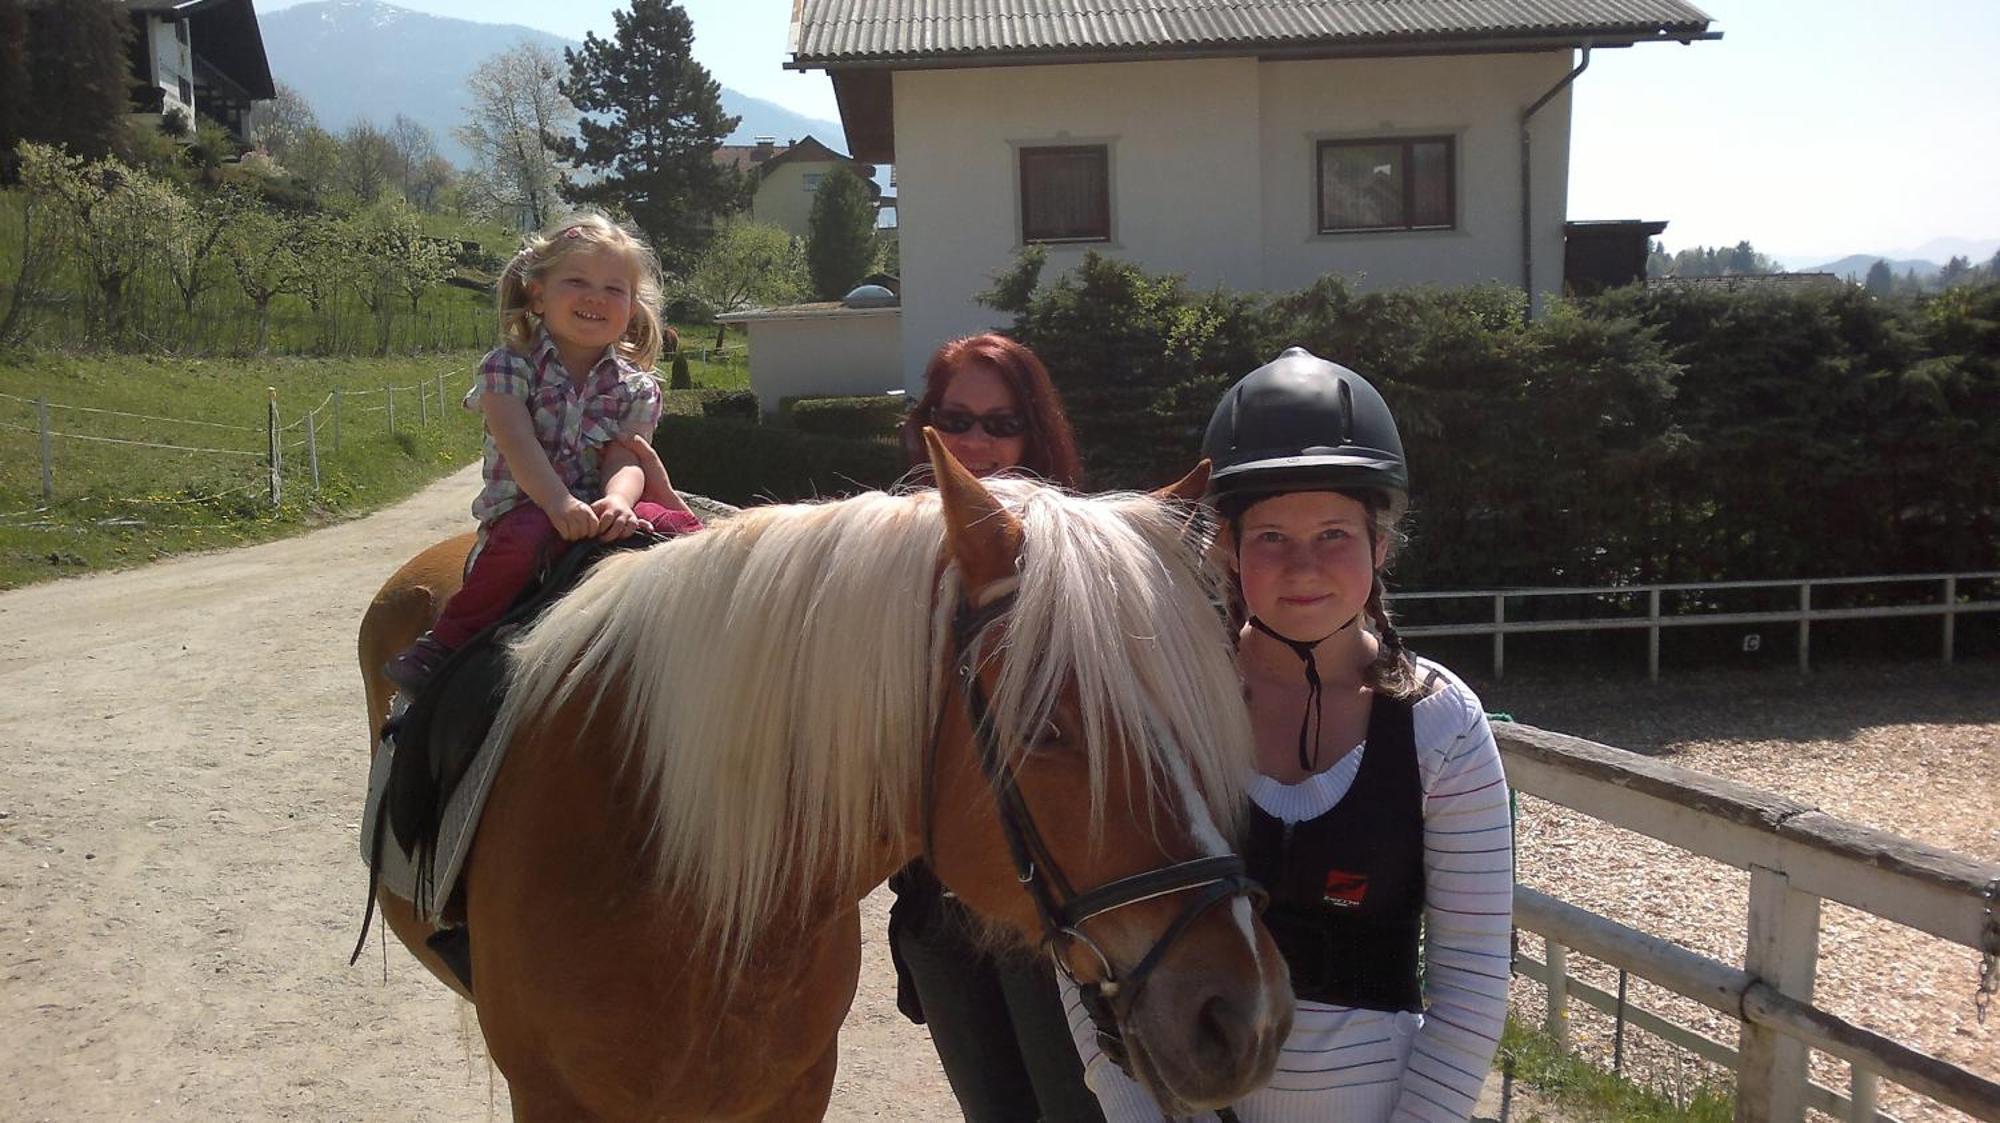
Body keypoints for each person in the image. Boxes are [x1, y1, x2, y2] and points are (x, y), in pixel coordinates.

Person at [1070, 348, 1513, 1122]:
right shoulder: (1164, 709)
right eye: (1271, 536)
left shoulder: (1443, 725)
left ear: (1380, 545)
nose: (1304, 566)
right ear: (1228, 549)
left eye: (1335, 534)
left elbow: (1472, 977)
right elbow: (1085, 939)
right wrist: (1135, 1108)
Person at [890, 333, 1100, 1123]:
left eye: (1002, 421)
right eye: (956, 418)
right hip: (936, 900)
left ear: (1036, 431)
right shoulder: (888, 561)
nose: (977, 442)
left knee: (1074, 1110)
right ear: (925, 427)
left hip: (1048, 908)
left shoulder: (1074, 556)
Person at [385, 212, 702, 691]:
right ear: (538, 294)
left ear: (633, 305)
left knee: (683, 531)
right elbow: (517, 443)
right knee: (527, 535)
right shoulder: (507, 368)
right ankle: (446, 641)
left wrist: (617, 501)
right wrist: (557, 502)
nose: (596, 297)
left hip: (600, 513)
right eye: (577, 281)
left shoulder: (637, 387)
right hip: (528, 509)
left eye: (614, 289)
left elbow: (627, 455)